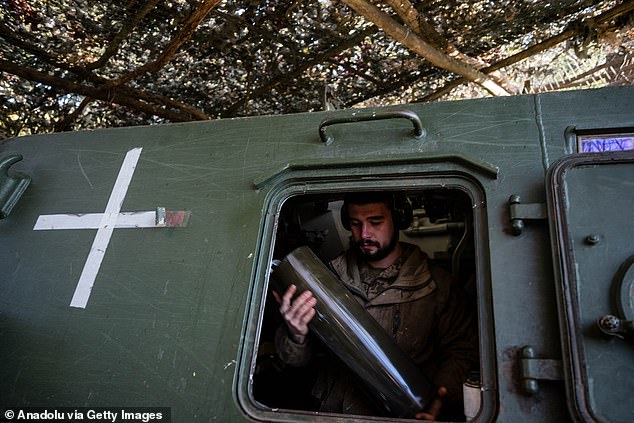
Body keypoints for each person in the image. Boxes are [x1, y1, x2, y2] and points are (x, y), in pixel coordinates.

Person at [273, 191, 478, 421]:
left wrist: (440, 398)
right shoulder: (324, 278)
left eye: (375, 221)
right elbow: (293, 362)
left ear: (398, 219)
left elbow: (463, 352)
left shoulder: (437, 285)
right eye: (355, 223)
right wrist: (296, 336)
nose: (364, 233)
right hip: (333, 414)